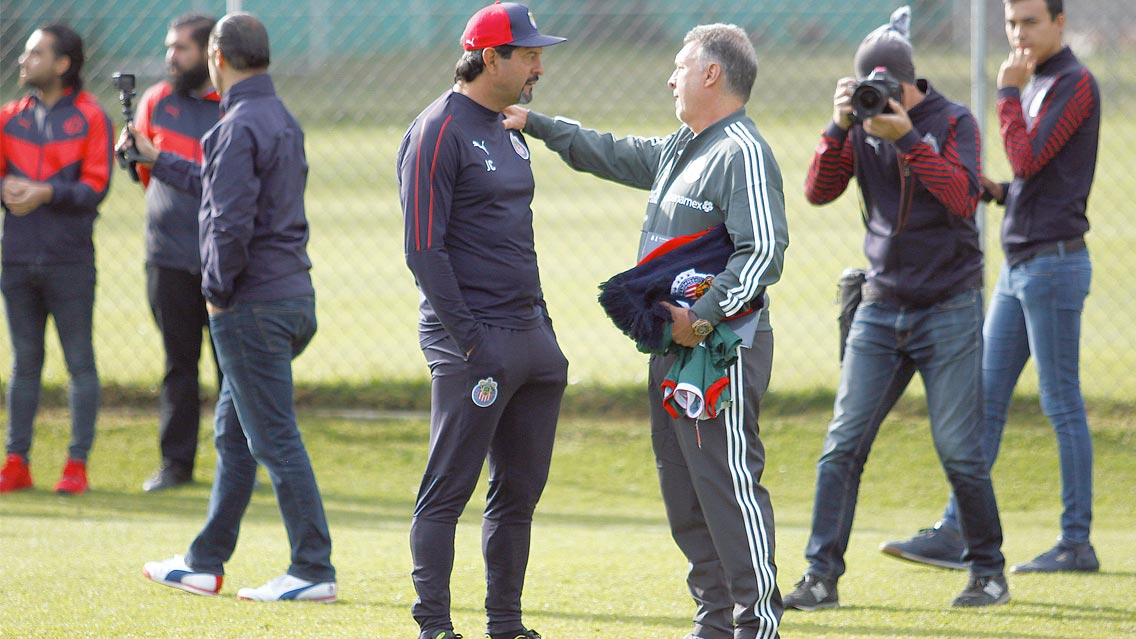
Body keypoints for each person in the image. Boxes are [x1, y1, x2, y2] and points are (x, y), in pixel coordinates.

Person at [507, 22, 789, 639]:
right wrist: (538, 125)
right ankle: (714, 619)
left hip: (720, 351)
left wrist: (705, 315)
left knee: (725, 480)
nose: (670, 77)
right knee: (683, 487)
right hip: (672, 345)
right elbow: (610, 151)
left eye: (681, 66)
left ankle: (756, 622)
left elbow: (763, 251)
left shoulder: (740, 149)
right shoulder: (684, 147)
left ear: (712, 73)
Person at [784, 6, 1011, 610]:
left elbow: (964, 198)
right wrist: (838, 127)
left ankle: (988, 572)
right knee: (841, 446)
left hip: (949, 305)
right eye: (867, 86)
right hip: (881, 306)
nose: (878, 96)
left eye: (888, 86)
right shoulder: (857, 122)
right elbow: (817, 191)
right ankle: (819, 578)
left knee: (960, 449)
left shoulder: (954, 120)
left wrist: (907, 138)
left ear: (911, 82)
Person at [881, 0, 1101, 575]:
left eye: (1031, 21)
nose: (1018, 33)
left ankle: (1076, 543)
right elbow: (1032, 179)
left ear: (1059, 23)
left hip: (1053, 266)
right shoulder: (1041, 81)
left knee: (1060, 402)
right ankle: (956, 530)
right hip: (1022, 265)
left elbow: (1028, 158)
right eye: (1010, 23)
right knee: (983, 402)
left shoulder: (1072, 83)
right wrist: (993, 191)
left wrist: (1005, 94)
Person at [140, 12, 337, 603]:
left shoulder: (235, 125)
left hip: (251, 307)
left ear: (217, 59)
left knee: (274, 437)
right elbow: (226, 183)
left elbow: (229, 222)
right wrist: (161, 160)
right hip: (292, 297)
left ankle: (312, 568)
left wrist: (217, 294)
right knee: (233, 433)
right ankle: (205, 561)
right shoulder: (277, 118)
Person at [395, 4, 569, 639]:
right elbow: (423, 250)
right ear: (490, 57)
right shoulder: (438, 128)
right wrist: (472, 341)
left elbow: (514, 239)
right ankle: (435, 626)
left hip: (529, 338)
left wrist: (543, 332)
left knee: (518, 496)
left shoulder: (508, 129)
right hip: (472, 343)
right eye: (527, 55)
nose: (538, 66)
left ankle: (507, 626)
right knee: (448, 490)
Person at [0, 24, 111, 496]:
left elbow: (96, 187)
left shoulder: (91, 117)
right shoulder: (7, 118)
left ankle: (76, 466)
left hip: (70, 261)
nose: (24, 61)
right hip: (17, 260)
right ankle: (16, 462)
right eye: (25, 54)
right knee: (25, 363)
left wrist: (44, 191)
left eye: (35, 54)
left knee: (79, 362)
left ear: (63, 64)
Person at [115, 13, 222, 492]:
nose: (170, 57)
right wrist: (128, 153)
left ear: (208, 53)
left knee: (232, 372)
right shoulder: (156, 100)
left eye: (181, 48)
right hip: (167, 256)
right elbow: (142, 172)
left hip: (223, 260)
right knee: (179, 366)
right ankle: (175, 466)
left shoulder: (230, 106)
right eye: (169, 47)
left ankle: (235, 466)